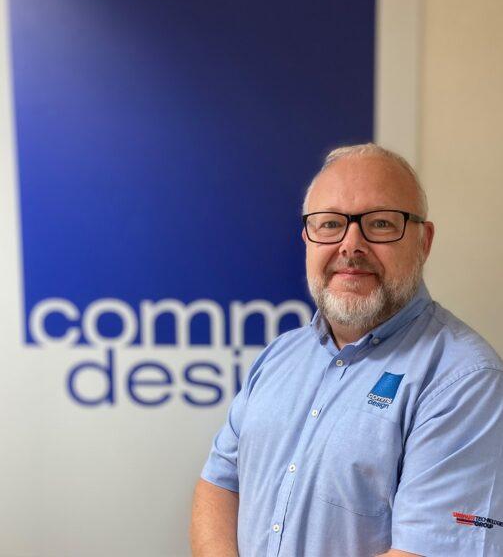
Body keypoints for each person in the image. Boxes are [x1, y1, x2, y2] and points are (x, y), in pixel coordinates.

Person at [190, 143, 503, 557]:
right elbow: (219, 484)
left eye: (380, 223)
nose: (351, 245)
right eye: (330, 224)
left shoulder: (464, 381)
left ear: (423, 241)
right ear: (307, 238)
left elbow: (428, 550)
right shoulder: (280, 355)